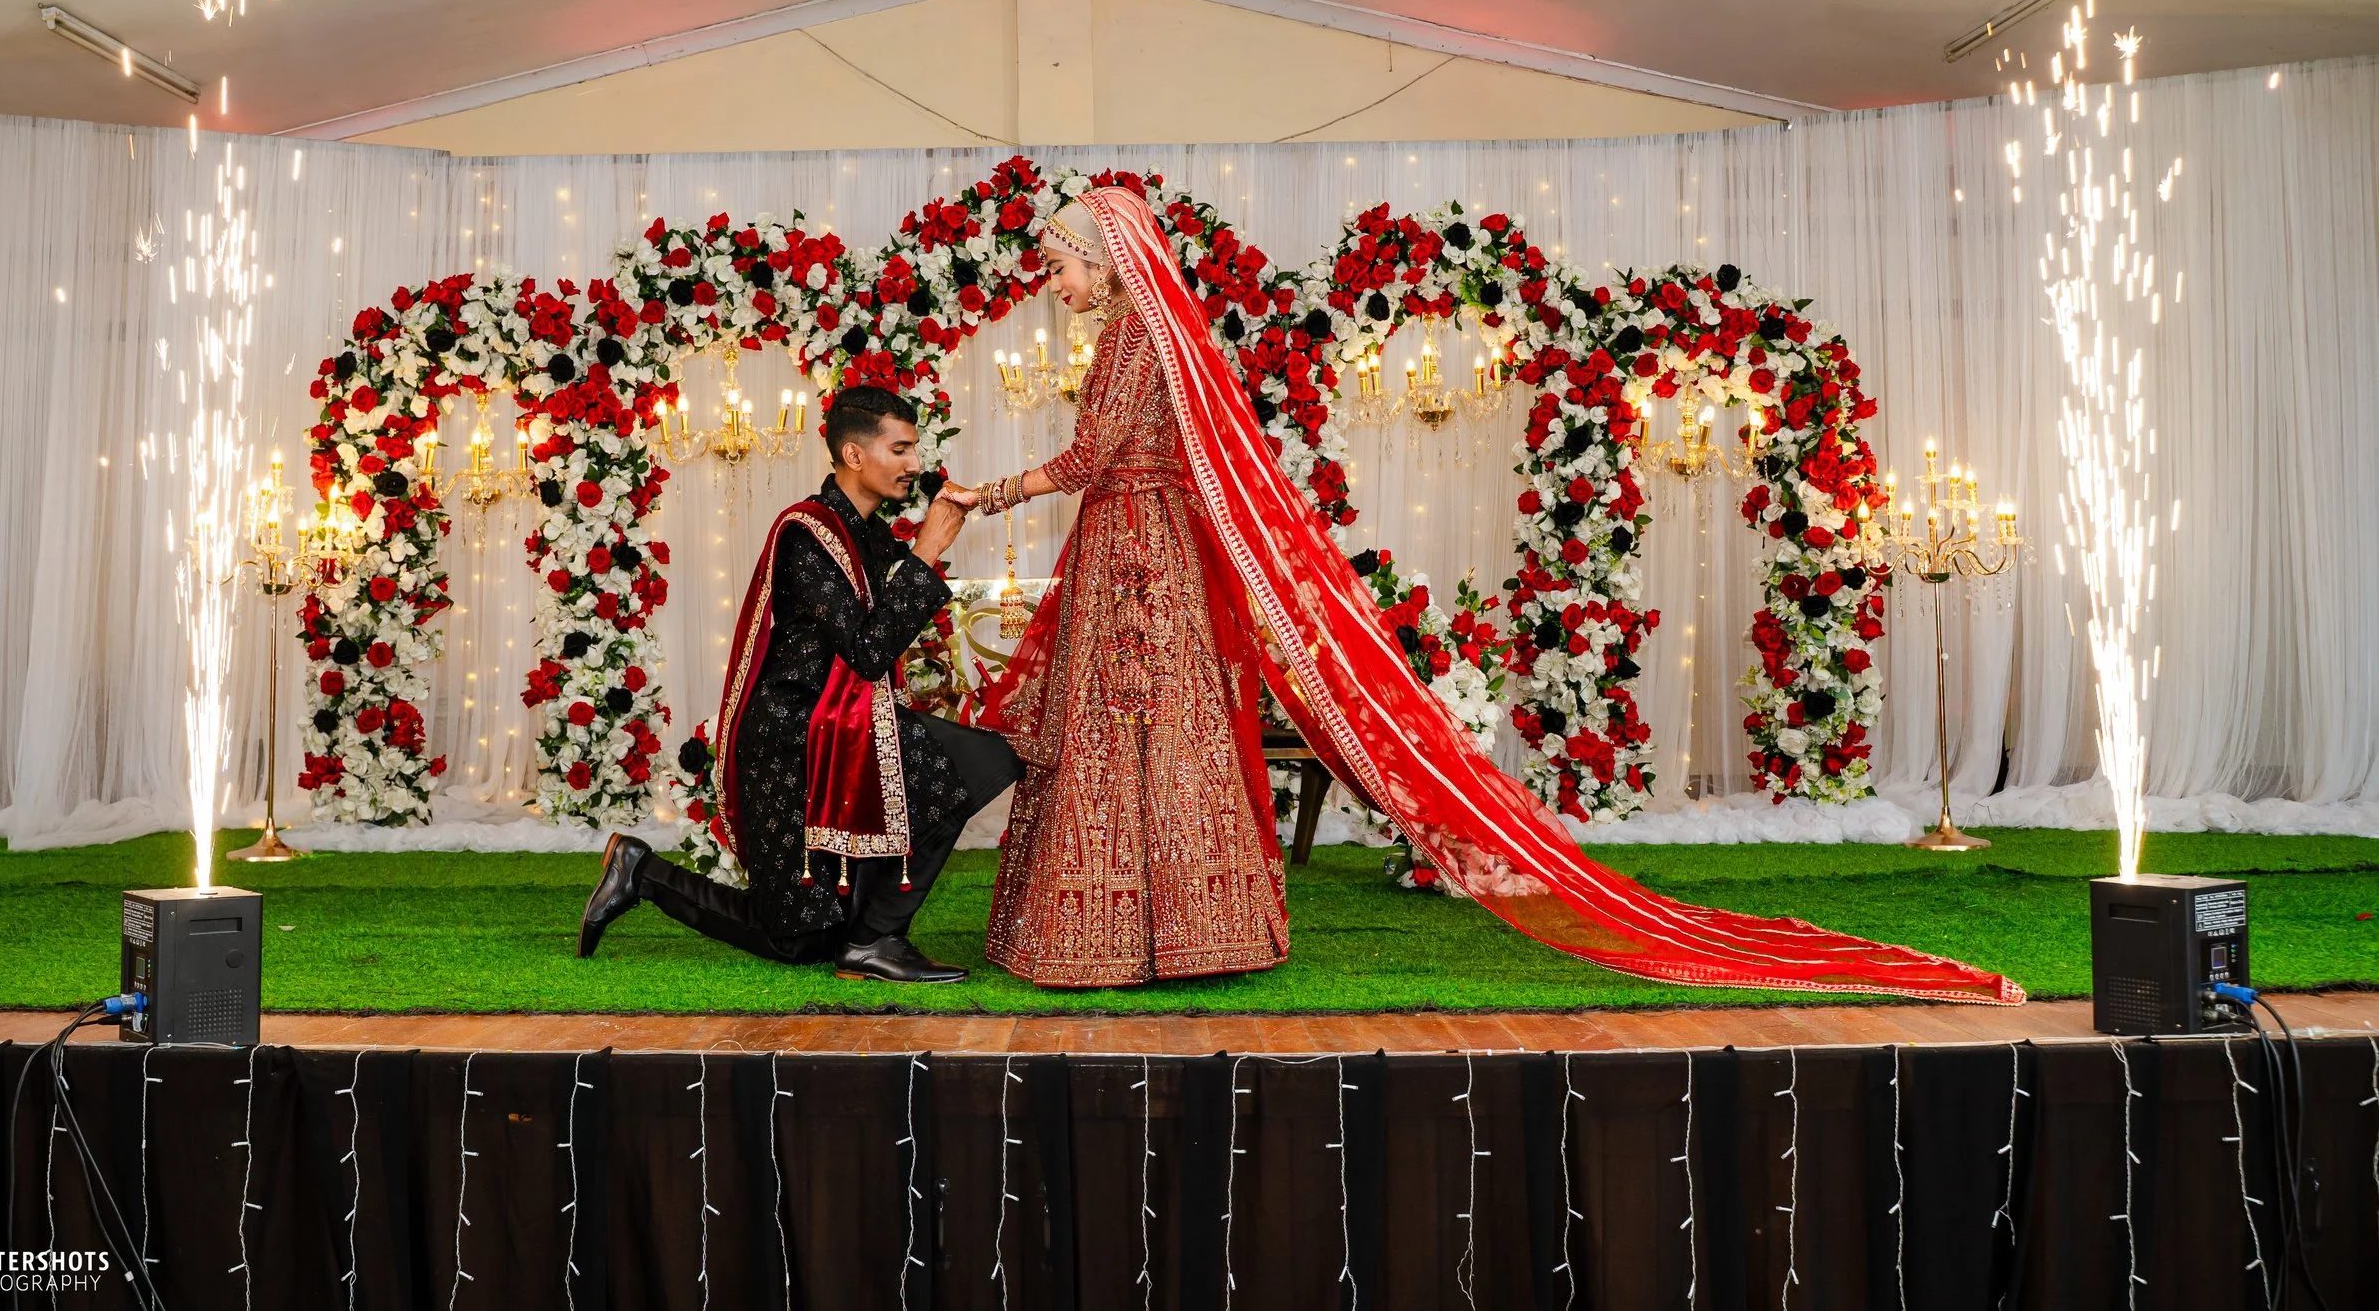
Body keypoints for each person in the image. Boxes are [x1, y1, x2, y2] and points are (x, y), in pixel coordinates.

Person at [974, 178, 2025, 1005]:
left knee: (1126, 725)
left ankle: (1110, 937)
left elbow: (1093, 455)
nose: (1054, 282)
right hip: (1158, 552)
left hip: (1132, 554)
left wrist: (992, 491)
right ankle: (1197, 930)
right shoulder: (1161, 334)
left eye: (1060, 265)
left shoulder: (1125, 335)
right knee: (1170, 726)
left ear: (1106, 262)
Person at [579, 386, 1019, 983]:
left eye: (915, 450)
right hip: (791, 743)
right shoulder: (806, 534)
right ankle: (642, 872)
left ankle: (874, 938)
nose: (915, 464)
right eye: (902, 449)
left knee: (982, 760)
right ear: (855, 455)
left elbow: (887, 622)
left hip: (847, 731)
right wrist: (931, 547)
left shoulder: (866, 533)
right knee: (796, 942)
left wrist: (933, 541)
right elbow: (868, 650)